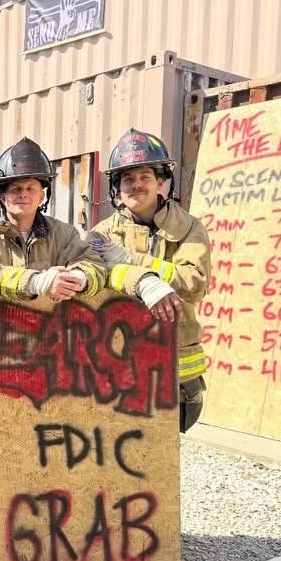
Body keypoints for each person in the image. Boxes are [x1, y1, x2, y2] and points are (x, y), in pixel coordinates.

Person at [86, 128, 211, 432]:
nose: (136, 185)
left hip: (175, 361)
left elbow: (193, 284)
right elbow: (97, 284)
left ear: (160, 181)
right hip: (118, 357)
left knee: (165, 457)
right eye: (127, 179)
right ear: (117, 187)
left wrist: (131, 260)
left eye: (144, 176)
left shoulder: (189, 228)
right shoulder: (101, 235)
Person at [0, 137, 105, 302]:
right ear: (2, 196)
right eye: (15, 189)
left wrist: (78, 278)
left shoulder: (64, 234)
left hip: (47, 326)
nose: (23, 194)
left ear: (41, 196)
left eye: (30, 188)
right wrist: (36, 282)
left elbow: (93, 264)